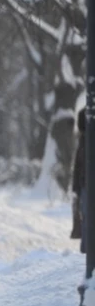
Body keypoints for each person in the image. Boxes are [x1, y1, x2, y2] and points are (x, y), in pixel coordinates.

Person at [72, 108, 86, 253]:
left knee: (86, 217)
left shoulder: (83, 142)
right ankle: (86, 250)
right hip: (85, 183)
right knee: (86, 217)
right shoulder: (84, 141)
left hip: (84, 183)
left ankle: (86, 250)